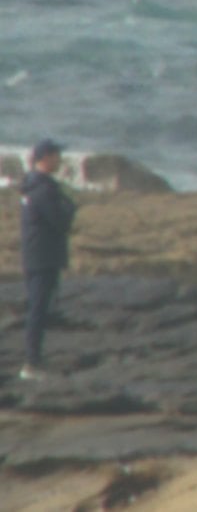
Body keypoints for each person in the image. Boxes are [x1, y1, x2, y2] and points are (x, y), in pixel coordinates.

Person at [19, 138, 76, 381]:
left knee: (40, 307)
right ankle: (31, 364)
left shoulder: (33, 185)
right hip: (43, 256)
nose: (59, 160)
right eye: (55, 155)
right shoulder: (42, 189)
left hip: (36, 255)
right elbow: (61, 220)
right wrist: (69, 206)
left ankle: (35, 360)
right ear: (44, 158)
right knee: (38, 309)